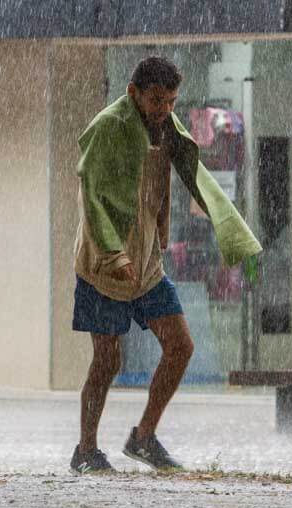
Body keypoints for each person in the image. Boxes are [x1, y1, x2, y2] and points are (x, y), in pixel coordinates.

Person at [70, 57, 262, 473]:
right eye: (156, 100)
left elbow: (175, 177)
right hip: (104, 267)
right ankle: (86, 450)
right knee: (107, 361)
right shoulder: (109, 126)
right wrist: (113, 254)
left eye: (171, 101)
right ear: (133, 93)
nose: (164, 109)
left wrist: (164, 227)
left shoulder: (167, 127)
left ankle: (143, 437)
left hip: (147, 266)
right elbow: (92, 193)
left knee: (180, 346)